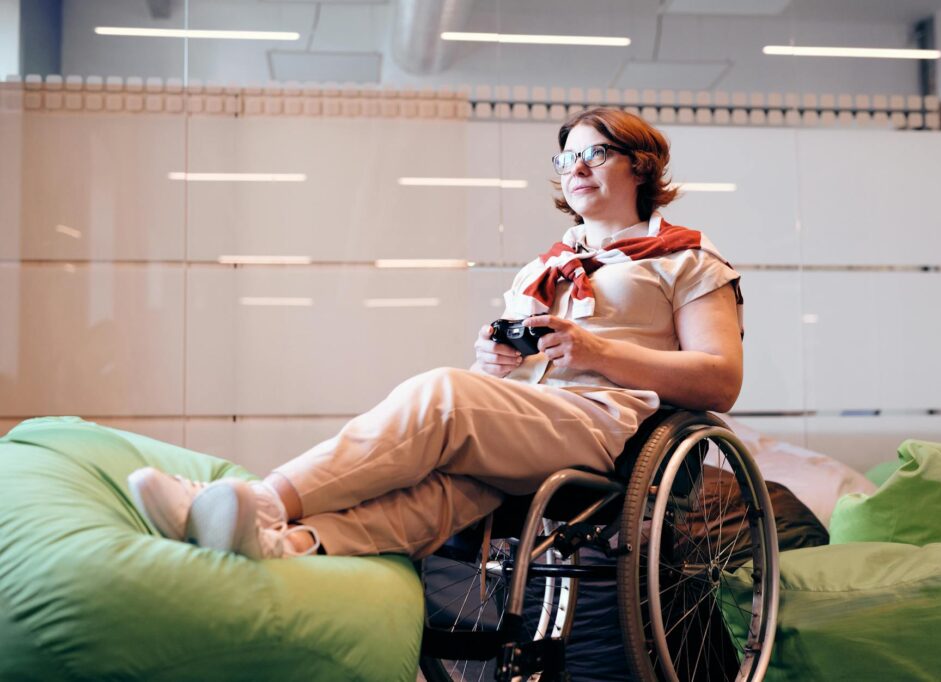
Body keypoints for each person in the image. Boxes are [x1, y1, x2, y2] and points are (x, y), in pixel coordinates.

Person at [128, 107, 744, 561]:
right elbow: (506, 375)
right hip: (531, 418)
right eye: (567, 158)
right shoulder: (546, 264)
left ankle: (257, 499)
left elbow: (721, 379)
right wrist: (495, 362)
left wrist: (599, 351)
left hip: (607, 429)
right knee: (446, 488)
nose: (576, 168)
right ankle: (283, 543)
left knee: (442, 395)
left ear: (639, 165)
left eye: (595, 153)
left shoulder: (686, 257)